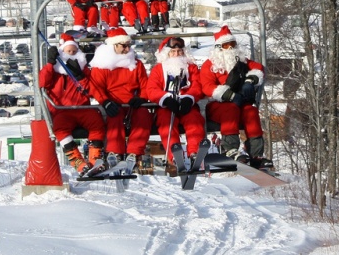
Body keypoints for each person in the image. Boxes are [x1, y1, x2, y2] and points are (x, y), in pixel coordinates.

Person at [199, 25, 270, 168]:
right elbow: (207, 87)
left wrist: (250, 80)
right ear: (219, 48)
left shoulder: (242, 61)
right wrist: (227, 94)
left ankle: (256, 153)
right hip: (218, 105)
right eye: (226, 45)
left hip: (240, 103)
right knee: (230, 109)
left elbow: (258, 68)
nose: (230, 48)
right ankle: (229, 148)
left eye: (233, 44)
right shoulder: (210, 65)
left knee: (251, 111)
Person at [39, 33, 106, 174]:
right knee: (60, 129)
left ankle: (95, 157)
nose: (71, 54)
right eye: (68, 52)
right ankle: (78, 161)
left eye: (74, 52)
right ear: (62, 52)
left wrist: (79, 76)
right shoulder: (55, 72)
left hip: (83, 108)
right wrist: (50, 64)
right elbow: (42, 82)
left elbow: (90, 88)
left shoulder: (83, 70)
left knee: (97, 122)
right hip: (62, 110)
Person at [89, 27, 152, 164]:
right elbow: (96, 87)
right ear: (114, 46)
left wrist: (142, 97)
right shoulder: (102, 65)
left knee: (144, 116)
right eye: (124, 46)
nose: (127, 49)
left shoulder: (135, 64)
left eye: (129, 46)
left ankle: (134, 152)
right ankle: (114, 151)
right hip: (113, 102)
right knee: (114, 119)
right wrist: (105, 102)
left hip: (131, 102)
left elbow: (145, 84)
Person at [146, 36, 206, 172]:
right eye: (173, 52)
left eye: (179, 52)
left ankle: (195, 153)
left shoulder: (191, 68)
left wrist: (189, 98)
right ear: (167, 54)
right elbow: (151, 89)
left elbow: (198, 85)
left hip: (186, 103)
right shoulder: (158, 70)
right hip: (167, 105)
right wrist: (165, 98)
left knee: (194, 121)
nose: (177, 55)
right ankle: (174, 154)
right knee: (166, 123)